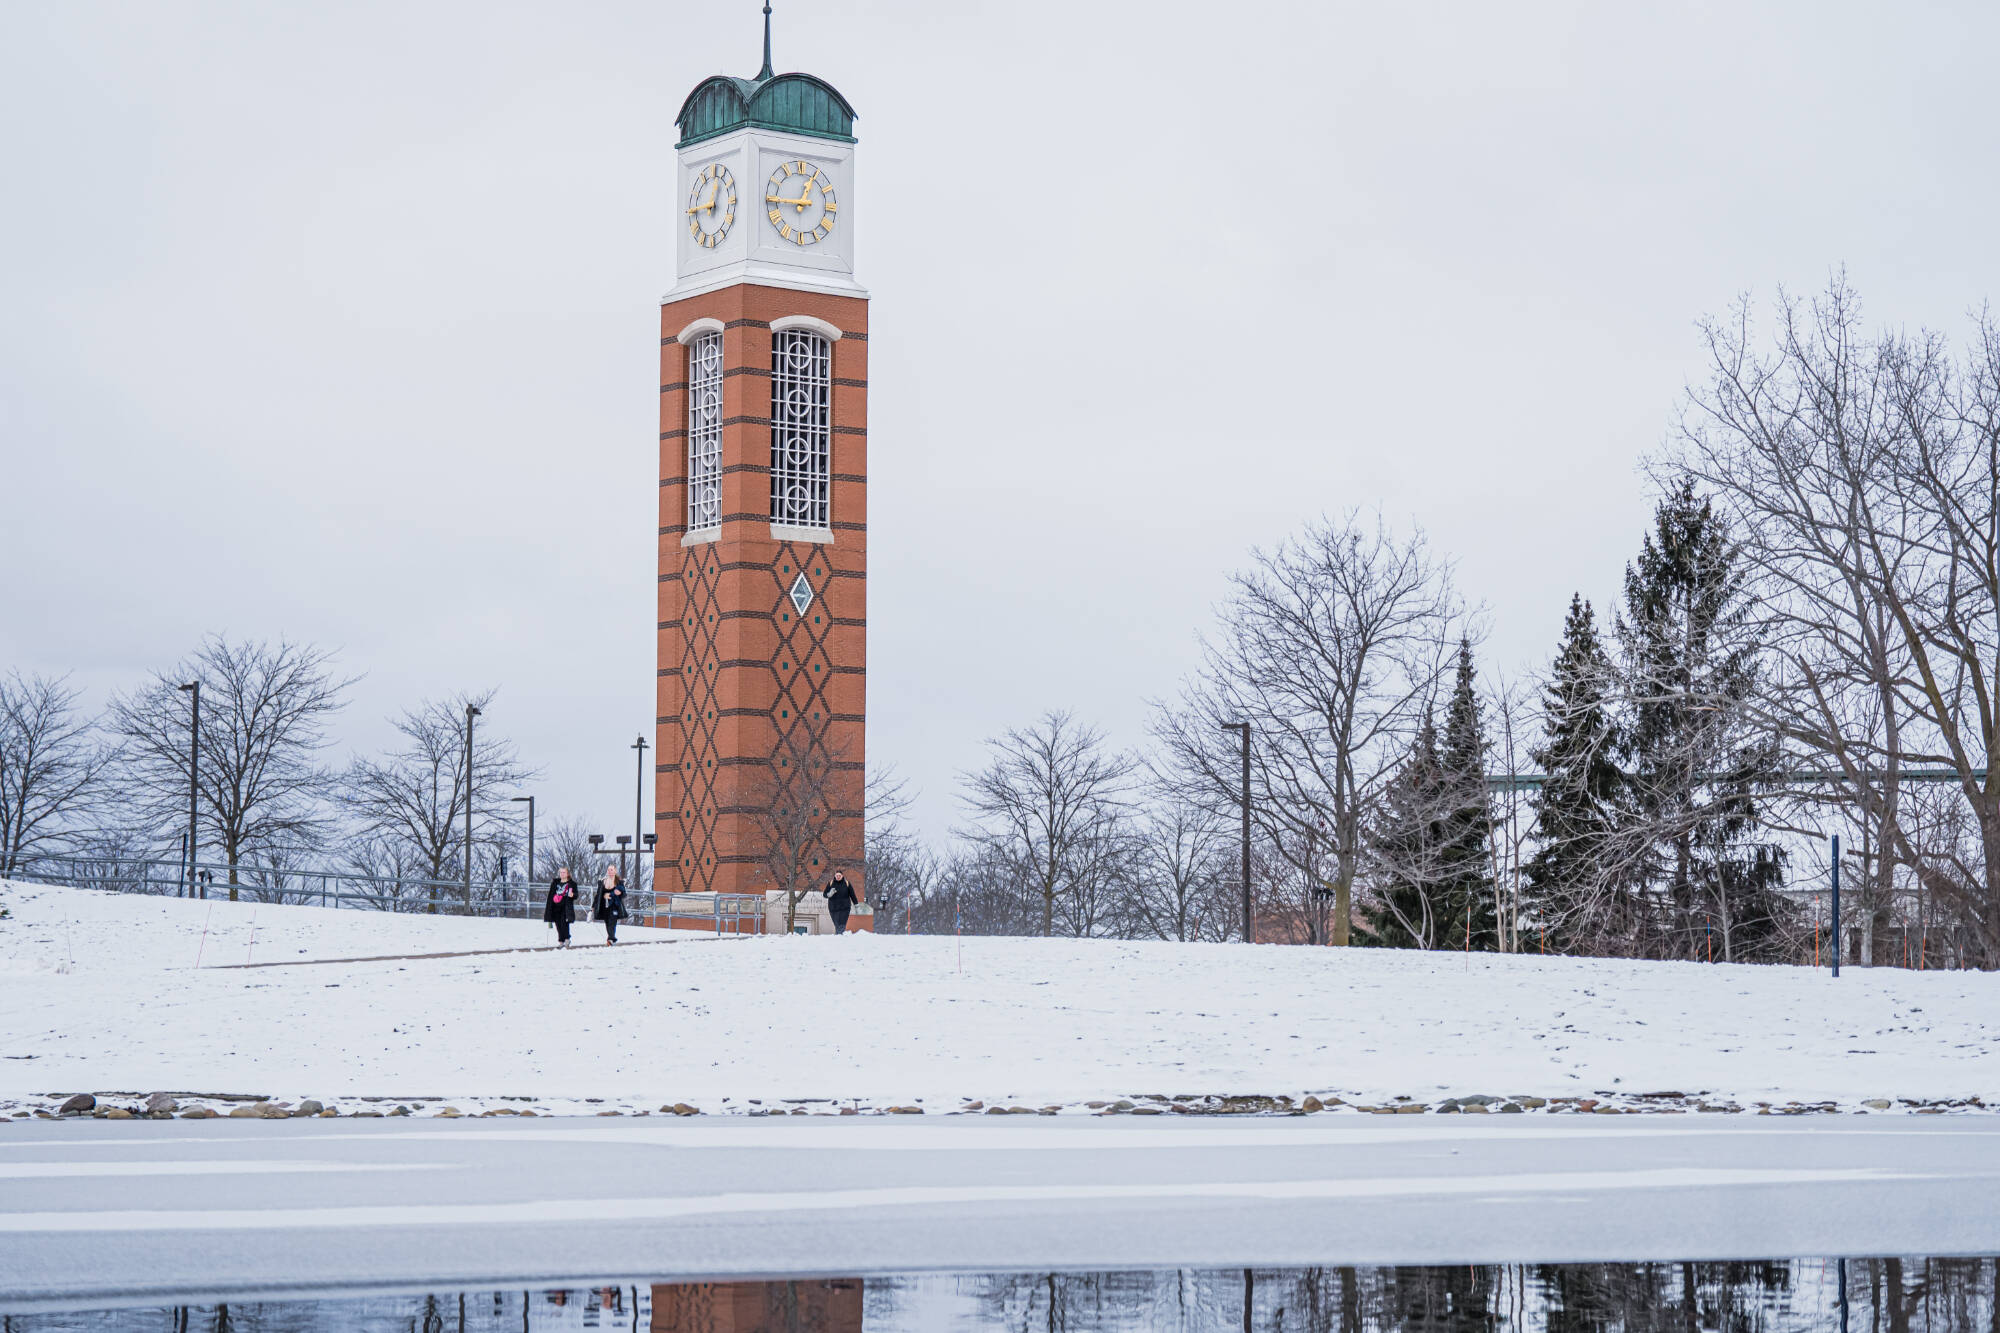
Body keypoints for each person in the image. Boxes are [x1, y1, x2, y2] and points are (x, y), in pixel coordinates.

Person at [544, 867, 578, 948]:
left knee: (564, 923)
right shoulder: (555, 883)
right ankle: (561, 940)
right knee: (558, 924)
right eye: (561, 872)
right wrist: (549, 907)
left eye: (564, 872)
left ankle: (567, 939)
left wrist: (572, 895)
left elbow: (576, 894)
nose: (562, 874)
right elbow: (550, 895)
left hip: (565, 907)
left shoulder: (572, 884)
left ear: (567, 874)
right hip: (555, 906)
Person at [594, 865, 627, 945]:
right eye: (608, 870)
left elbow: (624, 894)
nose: (610, 871)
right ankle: (611, 938)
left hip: (614, 905)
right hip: (604, 905)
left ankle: (611, 939)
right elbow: (598, 895)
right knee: (607, 922)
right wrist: (593, 906)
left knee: (612, 921)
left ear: (615, 871)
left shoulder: (619, 882)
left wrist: (619, 893)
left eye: (611, 870)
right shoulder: (603, 881)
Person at [822, 870, 858, 935]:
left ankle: (839, 937)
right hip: (833, 908)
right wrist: (829, 894)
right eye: (837, 875)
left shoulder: (847, 883)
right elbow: (824, 894)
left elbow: (852, 895)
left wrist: (856, 905)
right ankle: (839, 938)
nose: (838, 877)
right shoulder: (831, 883)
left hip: (845, 908)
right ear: (835, 876)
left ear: (842, 876)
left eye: (839, 876)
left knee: (842, 924)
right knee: (837, 924)